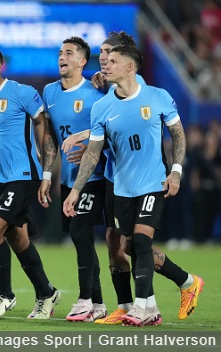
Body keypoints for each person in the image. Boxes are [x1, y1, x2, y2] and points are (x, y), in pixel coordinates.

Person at [63, 31, 204, 324]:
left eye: (112, 58)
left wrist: (176, 172)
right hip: (120, 188)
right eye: (105, 58)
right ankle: (185, 282)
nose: (105, 64)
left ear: (129, 66)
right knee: (125, 246)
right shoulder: (102, 107)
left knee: (139, 241)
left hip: (153, 183)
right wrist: (76, 189)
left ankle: (142, 307)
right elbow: (92, 153)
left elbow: (178, 135)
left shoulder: (155, 96)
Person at [0, 46, 60, 318]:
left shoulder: (22, 93)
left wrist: (46, 174)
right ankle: (47, 293)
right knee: (18, 240)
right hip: (0, 180)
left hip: (23, 176)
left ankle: (5, 296)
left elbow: (44, 130)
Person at [43, 36, 107, 322]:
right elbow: (50, 140)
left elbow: (112, 129)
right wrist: (47, 175)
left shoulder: (97, 93)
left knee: (82, 232)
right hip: (67, 180)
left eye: (69, 53)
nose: (62, 56)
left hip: (96, 176)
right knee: (80, 239)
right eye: (60, 52)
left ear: (83, 62)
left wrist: (94, 147)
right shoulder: (49, 92)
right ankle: (100, 304)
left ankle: (84, 300)